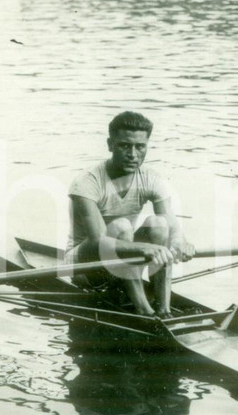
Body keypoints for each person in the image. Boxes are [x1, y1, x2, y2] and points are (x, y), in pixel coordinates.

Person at [66, 111, 194, 317]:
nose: (133, 154)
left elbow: (170, 223)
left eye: (140, 147)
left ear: (146, 147)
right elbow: (100, 241)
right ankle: (144, 312)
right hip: (85, 267)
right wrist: (146, 248)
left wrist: (180, 242)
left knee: (159, 224)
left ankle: (164, 310)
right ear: (110, 144)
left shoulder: (152, 178)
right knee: (122, 227)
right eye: (125, 145)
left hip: (121, 259)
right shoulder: (86, 182)